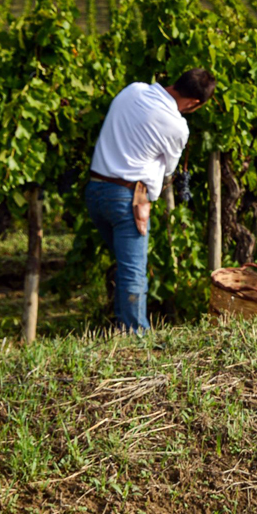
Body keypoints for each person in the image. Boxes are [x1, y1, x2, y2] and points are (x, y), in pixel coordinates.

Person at [87, 68, 216, 331]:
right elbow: (169, 169)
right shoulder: (176, 125)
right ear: (194, 103)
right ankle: (135, 338)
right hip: (127, 200)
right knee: (134, 273)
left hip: (95, 190)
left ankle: (123, 331)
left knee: (125, 267)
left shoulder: (132, 89)